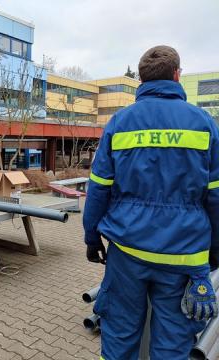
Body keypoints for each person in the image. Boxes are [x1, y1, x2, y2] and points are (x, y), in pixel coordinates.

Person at [83, 45, 219, 359]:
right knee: (172, 344)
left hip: (127, 252)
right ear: (176, 75)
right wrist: (214, 248)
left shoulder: (120, 122)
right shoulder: (204, 123)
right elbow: (215, 196)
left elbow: (99, 187)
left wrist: (92, 237)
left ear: (142, 81)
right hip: (183, 257)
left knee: (119, 335)